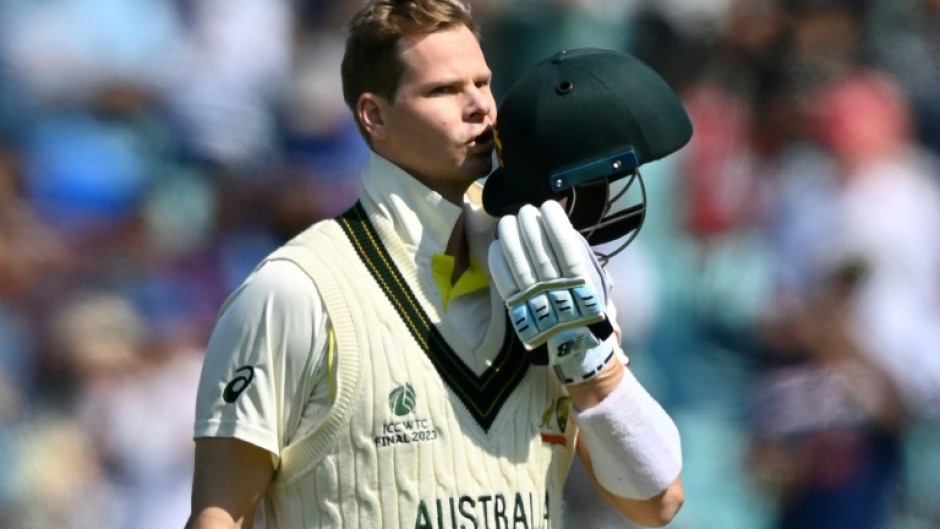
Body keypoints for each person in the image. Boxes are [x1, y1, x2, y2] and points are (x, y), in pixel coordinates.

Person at [186, 1, 687, 528]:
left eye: (482, 83)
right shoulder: (294, 291)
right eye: (444, 90)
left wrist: (592, 366)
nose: (480, 107)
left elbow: (657, 502)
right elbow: (220, 518)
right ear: (374, 115)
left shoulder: (549, 274)